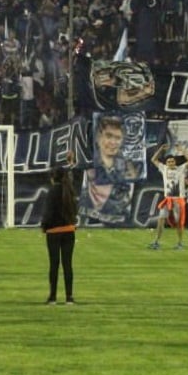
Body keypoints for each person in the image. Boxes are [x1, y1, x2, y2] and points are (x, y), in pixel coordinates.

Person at [82, 116, 142, 223]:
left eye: (118, 138)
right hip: (90, 216)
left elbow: (133, 179)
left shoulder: (126, 164)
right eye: (109, 136)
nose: (113, 142)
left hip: (118, 218)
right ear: (98, 137)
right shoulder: (89, 160)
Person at [41, 166, 78, 305]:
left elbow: (48, 212)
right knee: (67, 264)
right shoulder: (69, 191)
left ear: (53, 178)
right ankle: (69, 297)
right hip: (69, 230)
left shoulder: (52, 191)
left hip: (54, 232)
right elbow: (74, 210)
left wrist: (44, 226)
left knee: (54, 264)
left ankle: (53, 297)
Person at [149, 143, 188, 250]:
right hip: (167, 200)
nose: (170, 163)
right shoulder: (164, 169)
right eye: (168, 162)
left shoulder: (180, 169)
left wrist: (182, 150)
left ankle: (180, 243)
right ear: (166, 163)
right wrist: (160, 150)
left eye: (172, 161)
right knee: (161, 219)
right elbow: (153, 159)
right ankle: (156, 242)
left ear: (175, 162)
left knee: (179, 223)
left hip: (178, 200)